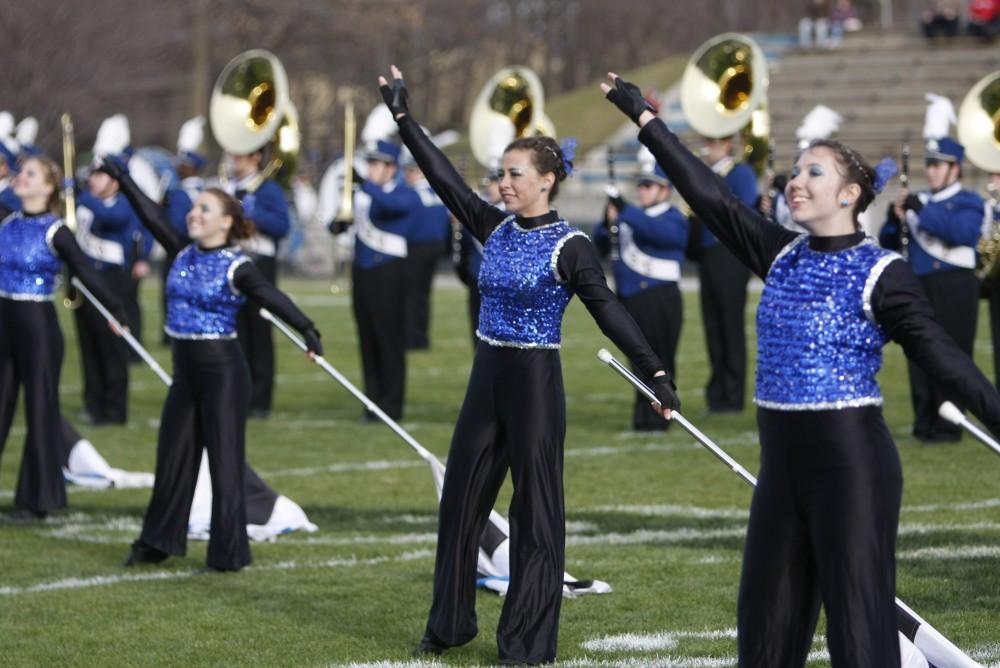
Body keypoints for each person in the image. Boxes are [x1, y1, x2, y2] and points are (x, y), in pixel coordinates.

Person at [602, 72, 1000, 668]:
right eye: (796, 170)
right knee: (764, 633)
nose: (796, 180)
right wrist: (646, 119)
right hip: (781, 472)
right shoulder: (778, 252)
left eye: (816, 171)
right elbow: (710, 197)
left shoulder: (882, 272)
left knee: (860, 636)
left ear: (849, 195)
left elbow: (946, 361)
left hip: (854, 472)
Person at [379, 65, 679, 665]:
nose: (503, 183)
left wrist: (656, 373)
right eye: (501, 174)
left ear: (546, 181)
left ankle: (525, 642)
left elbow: (609, 311)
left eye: (514, 175)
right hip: (485, 378)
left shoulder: (570, 246)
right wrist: (404, 119)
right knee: (459, 505)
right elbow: (444, 181)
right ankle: (448, 625)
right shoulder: (496, 226)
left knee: (537, 517)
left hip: (535, 384)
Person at [106, 160, 322, 572]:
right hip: (185, 372)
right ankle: (157, 542)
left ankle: (228, 554)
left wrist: (307, 328)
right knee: (172, 458)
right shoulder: (181, 250)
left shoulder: (236, 265)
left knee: (224, 461)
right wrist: (125, 180)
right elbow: (151, 215)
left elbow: (270, 297)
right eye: (194, 207)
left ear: (226, 223)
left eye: (205, 209)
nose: (194, 213)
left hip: (223, 373)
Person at [0, 156, 125, 519]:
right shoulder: (7, 223)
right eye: (21, 172)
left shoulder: (57, 230)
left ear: (49, 187)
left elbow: (85, 271)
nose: (21, 178)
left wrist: (116, 310)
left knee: (40, 410)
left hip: (37, 327)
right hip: (4, 325)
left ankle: (38, 500)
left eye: (31, 174)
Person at [879, 137, 986, 443]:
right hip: (919, 285)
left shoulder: (969, 201)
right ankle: (923, 421)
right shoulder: (920, 201)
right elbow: (890, 243)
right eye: (929, 164)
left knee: (952, 354)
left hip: (955, 285)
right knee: (919, 353)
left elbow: (962, 233)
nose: (931, 171)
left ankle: (950, 424)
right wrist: (891, 222)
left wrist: (920, 211)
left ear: (955, 168)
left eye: (937, 165)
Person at [593, 163, 689, 431]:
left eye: (648, 186)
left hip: (659, 298)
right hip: (631, 299)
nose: (642, 191)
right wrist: (607, 220)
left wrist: (623, 207)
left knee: (660, 360)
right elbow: (600, 244)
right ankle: (643, 418)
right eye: (640, 186)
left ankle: (662, 418)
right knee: (638, 362)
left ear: (665, 190)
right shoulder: (629, 216)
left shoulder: (673, 216)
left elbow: (659, 234)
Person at [348, 139, 421, 421]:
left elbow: (392, 207)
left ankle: (391, 404)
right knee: (367, 338)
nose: (371, 169)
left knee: (388, 339)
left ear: (391, 167)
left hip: (389, 273)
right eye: (370, 164)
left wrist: (366, 187)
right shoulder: (366, 195)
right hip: (362, 272)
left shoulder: (405, 193)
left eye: (376, 164)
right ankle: (372, 402)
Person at [74, 160, 148, 424]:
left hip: (113, 279)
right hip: (86, 279)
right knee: (89, 343)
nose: (93, 180)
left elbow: (113, 219)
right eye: (93, 175)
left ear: (115, 182)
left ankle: (115, 409)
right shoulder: (85, 204)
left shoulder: (122, 203)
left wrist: (80, 196)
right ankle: (93, 404)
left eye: (101, 176)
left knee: (111, 343)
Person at [690, 133, 758, 414]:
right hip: (708, 255)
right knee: (713, 327)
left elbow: (740, 209)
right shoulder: (705, 173)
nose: (708, 146)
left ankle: (732, 396)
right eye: (707, 140)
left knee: (730, 327)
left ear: (729, 143)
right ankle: (717, 394)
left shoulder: (740, 173)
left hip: (730, 254)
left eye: (715, 141)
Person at [224, 149, 291, 419]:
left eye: (241, 155)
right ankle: (238, 394)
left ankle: (260, 400)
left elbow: (282, 226)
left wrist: (255, 213)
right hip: (231, 263)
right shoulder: (227, 187)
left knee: (259, 331)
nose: (235, 159)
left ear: (256, 158)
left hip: (259, 264)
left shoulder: (268, 189)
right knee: (235, 332)